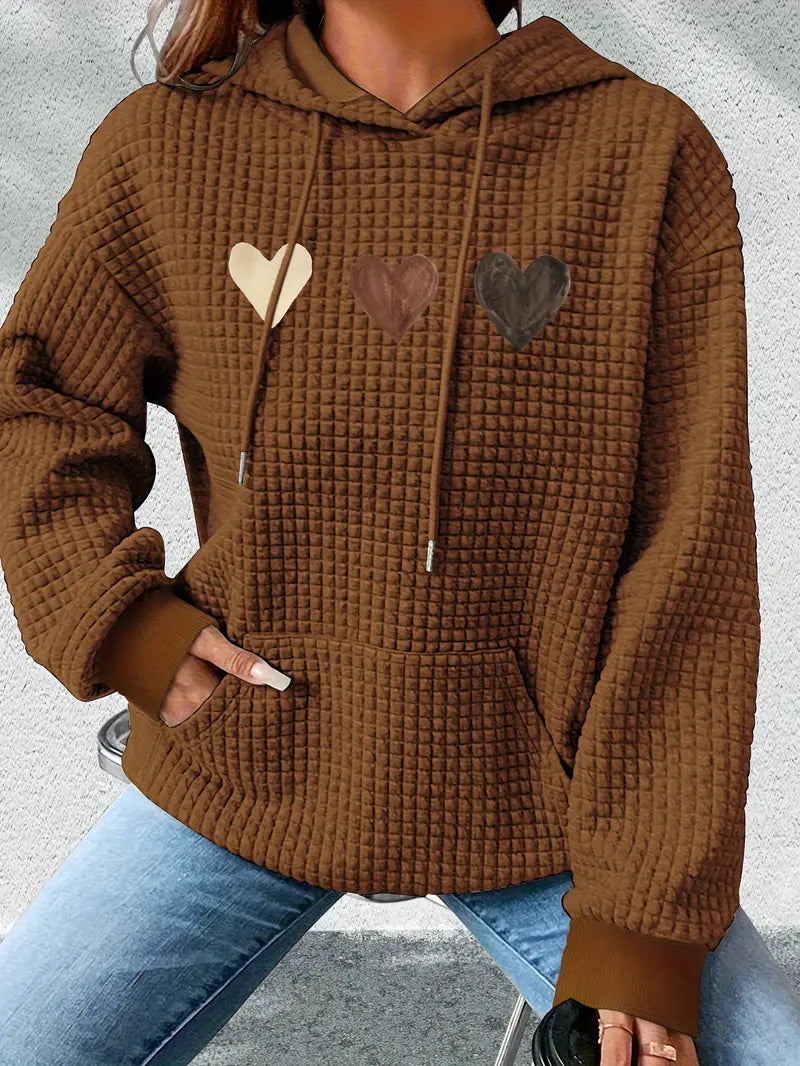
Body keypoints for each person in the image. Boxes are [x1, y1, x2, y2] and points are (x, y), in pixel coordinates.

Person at [0, 1, 796, 1064]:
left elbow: (688, 562)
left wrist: (645, 923)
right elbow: (37, 406)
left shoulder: (644, 153)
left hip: (546, 798)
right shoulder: (168, 145)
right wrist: (123, 625)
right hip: (243, 762)